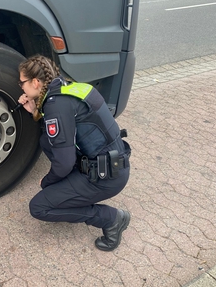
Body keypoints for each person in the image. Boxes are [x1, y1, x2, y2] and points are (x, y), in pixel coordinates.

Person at [17, 55, 131, 251]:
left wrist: (47, 182)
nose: (20, 87)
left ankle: (112, 219)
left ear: (36, 82)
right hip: (112, 164)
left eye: (22, 82)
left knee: (39, 207)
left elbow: (64, 162)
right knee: (46, 140)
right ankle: (70, 187)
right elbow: (61, 131)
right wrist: (35, 109)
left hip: (105, 178)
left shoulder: (55, 105)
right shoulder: (68, 88)